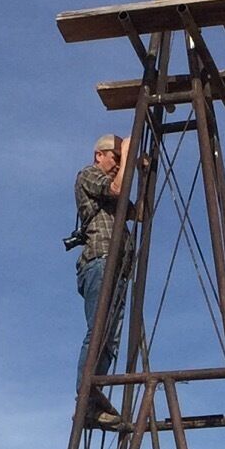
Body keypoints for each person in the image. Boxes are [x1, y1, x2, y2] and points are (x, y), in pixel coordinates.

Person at [72, 131, 131, 427]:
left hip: (118, 269)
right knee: (98, 331)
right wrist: (131, 148)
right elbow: (118, 191)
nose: (120, 163)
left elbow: (141, 212)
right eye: (116, 158)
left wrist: (141, 174)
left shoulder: (113, 182)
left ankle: (93, 397)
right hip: (100, 262)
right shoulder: (89, 175)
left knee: (111, 339)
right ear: (100, 155)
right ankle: (87, 396)